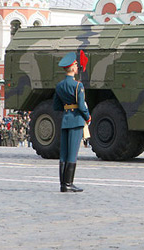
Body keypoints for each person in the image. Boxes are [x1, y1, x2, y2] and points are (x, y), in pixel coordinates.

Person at [53, 52, 90, 193]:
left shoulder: (59, 86)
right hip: (76, 121)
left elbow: (56, 106)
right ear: (73, 68)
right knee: (72, 153)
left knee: (64, 153)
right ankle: (68, 184)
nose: (77, 67)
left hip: (65, 120)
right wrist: (88, 117)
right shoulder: (78, 85)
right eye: (76, 65)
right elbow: (81, 106)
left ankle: (63, 183)